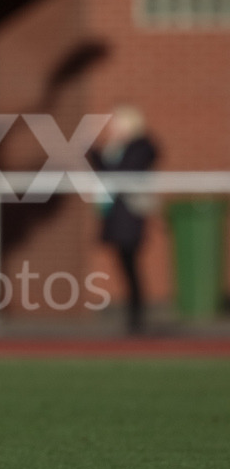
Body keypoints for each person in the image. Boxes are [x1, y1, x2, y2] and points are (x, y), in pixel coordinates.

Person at [88, 105, 158, 335]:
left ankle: (137, 317)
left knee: (131, 266)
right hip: (115, 217)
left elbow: (122, 172)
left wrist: (98, 156)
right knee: (125, 266)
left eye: (116, 123)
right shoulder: (115, 148)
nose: (112, 128)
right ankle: (134, 315)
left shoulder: (140, 147)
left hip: (129, 217)